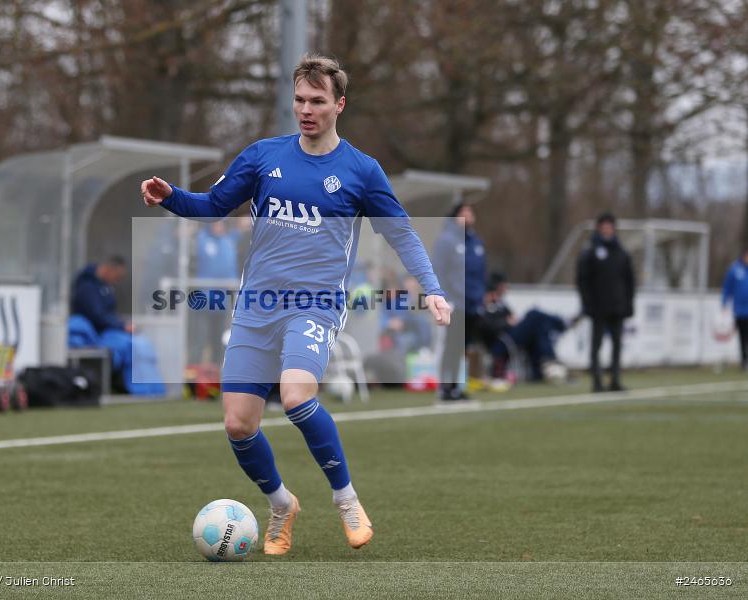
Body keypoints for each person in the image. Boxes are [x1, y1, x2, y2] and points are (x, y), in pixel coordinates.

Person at [141, 54, 452, 555]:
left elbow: (403, 234)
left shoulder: (361, 171)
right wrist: (171, 196)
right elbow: (214, 205)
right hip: (256, 306)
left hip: (315, 304)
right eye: (300, 100)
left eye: (318, 101)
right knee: (238, 424)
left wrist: (432, 287)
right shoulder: (263, 156)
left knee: (295, 396)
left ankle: (347, 500)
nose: (306, 110)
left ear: (339, 105)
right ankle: (282, 504)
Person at [69, 256, 164, 396]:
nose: (117, 281)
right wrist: (121, 327)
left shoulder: (104, 287)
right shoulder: (87, 288)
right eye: (118, 276)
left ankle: (152, 389)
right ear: (109, 269)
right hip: (97, 335)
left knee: (142, 343)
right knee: (132, 345)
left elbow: (107, 314)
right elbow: (97, 317)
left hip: (109, 331)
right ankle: (137, 388)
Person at [433, 201, 487, 401]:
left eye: (470, 212)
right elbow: (438, 271)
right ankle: (445, 387)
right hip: (455, 303)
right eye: (464, 212)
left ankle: (456, 386)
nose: (468, 216)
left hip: (472, 304)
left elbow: (481, 273)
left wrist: (481, 296)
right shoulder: (447, 241)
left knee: (463, 348)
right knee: (451, 347)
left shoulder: (476, 242)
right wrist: (444, 298)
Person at [575, 212, 635, 392]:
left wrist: (628, 304)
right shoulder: (590, 251)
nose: (607, 229)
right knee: (597, 345)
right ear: (599, 228)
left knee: (617, 345)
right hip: (598, 307)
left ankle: (615, 380)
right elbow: (582, 280)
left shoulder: (622, 253)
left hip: (617, 307)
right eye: (604, 226)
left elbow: (629, 281)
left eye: (610, 226)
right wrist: (587, 303)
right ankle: (597, 381)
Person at [481, 272, 571, 382]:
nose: (506, 288)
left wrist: (512, 321)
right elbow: (486, 326)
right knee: (533, 314)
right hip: (500, 342)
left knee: (538, 329)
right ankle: (561, 325)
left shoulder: (501, 304)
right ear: (498, 285)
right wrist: (506, 322)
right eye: (504, 285)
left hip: (510, 336)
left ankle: (539, 370)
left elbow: (512, 317)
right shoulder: (485, 302)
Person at [191, 220, 242, 364]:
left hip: (222, 301)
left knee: (219, 340)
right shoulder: (201, 239)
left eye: (221, 224)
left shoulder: (229, 242)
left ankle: (216, 372)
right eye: (216, 224)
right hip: (204, 300)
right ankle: (193, 374)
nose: (219, 227)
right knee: (199, 340)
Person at [720, 249, 748, 370]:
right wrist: (724, 303)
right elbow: (727, 288)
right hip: (740, 311)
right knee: (743, 337)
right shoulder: (734, 269)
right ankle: (744, 362)